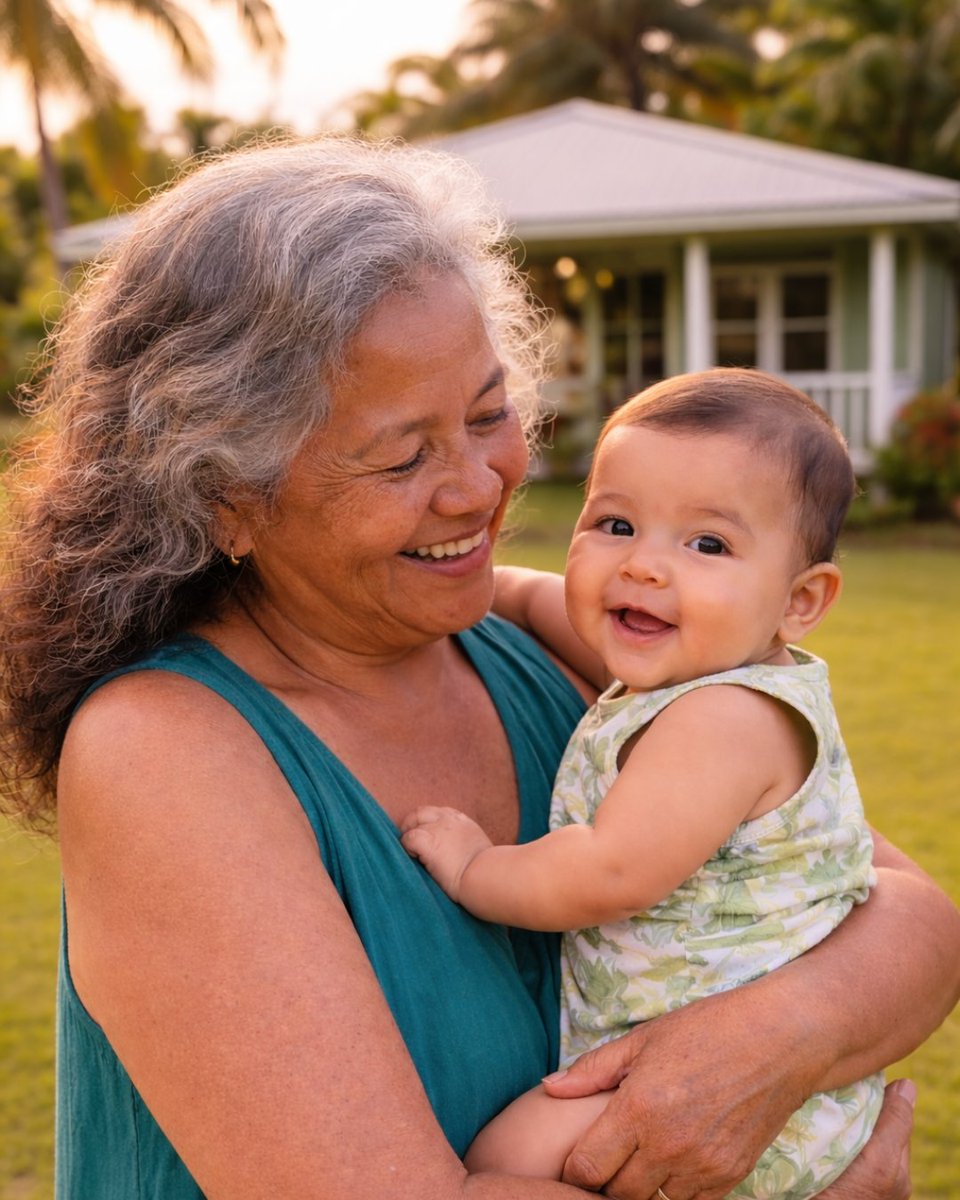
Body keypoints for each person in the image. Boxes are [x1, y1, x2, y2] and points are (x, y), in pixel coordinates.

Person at [0, 136, 955, 1200]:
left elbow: (909, 914)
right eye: (404, 456)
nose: (479, 487)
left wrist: (774, 1043)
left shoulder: (564, 639)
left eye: (490, 413)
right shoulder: (166, 756)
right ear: (225, 495)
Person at [401, 368, 892, 1198]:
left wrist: (473, 868)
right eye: (616, 524)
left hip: (735, 1093)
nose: (645, 568)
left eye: (708, 545)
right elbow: (536, 596)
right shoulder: (685, 671)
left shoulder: (724, 718)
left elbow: (609, 872)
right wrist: (496, 593)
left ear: (800, 602)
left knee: (502, 1164)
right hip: (702, 1054)